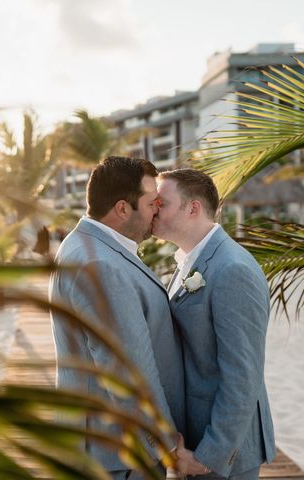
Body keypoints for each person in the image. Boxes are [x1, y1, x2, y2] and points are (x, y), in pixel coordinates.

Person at [49, 156, 185, 479]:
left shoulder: (82, 245)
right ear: (123, 208)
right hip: (115, 456)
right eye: (152, 202)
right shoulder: (101, 265)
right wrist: (166, 447)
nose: (157, 209)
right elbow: (127, 371)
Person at [152, 168, 276, 479]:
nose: (154, 209)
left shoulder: (232, 269)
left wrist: (209, 455)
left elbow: (242, 375)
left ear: (192, 208)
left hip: (223, 452)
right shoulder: (188, 261)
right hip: (196, 435)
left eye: (162, 203)